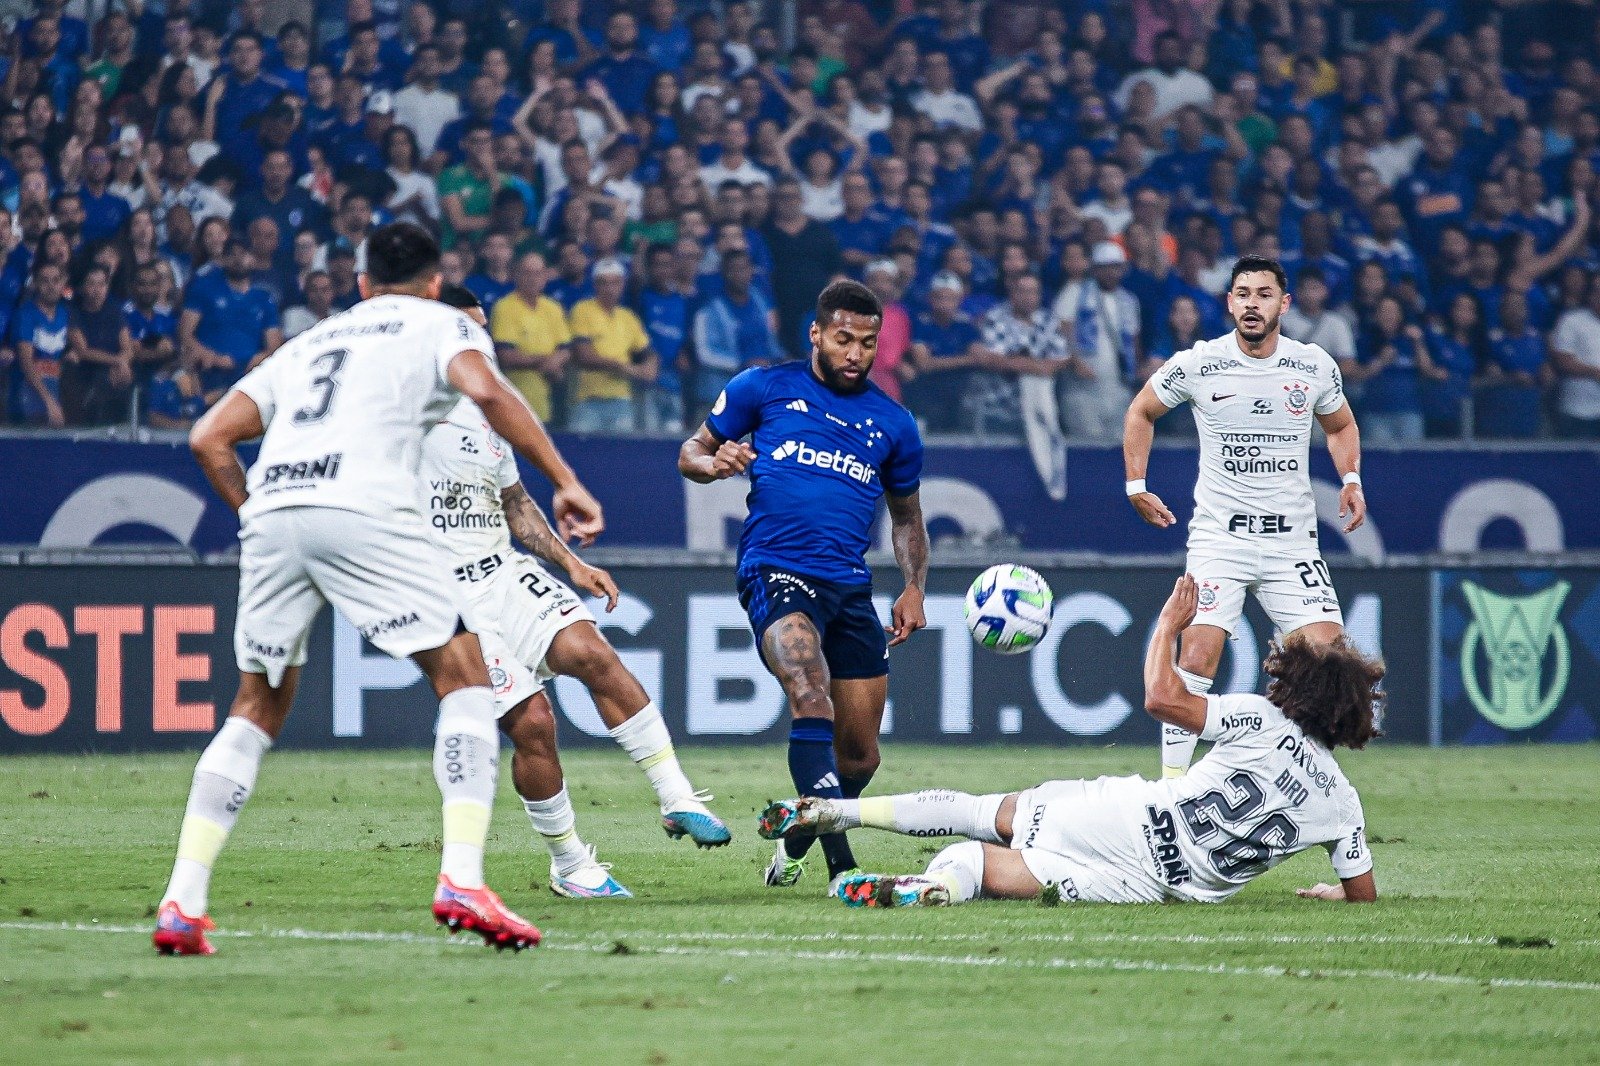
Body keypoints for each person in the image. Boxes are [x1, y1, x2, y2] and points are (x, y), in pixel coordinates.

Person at [152, 223, 605, 957]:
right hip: (363, 503)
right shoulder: (442, 323)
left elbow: (208, 436)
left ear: (362, 283)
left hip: (274, 510)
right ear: (435, 282)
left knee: (256, 705)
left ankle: (182, 902)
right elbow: (487, 390)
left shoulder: (310, 341)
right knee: (465, 676)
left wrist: (262, 518)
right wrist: (565, 479)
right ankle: (462, 879)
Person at [758, 575, 1381, 909]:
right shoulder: (1341, 804)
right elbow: (1363, 893)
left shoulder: (1261, 720)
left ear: (1300, 689)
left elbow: (1163, 699)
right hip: (1148, 888)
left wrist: (1168, 624)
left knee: (981, 814)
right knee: (974, 864)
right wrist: (1333, 891)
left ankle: (834, 811)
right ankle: (936, 889)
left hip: (1125, 817)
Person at [420, 286, 729, 896]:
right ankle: (568, 864)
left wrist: (571, 564)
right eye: (465, 329)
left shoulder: (490, 412)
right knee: (533, 722)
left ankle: (677, 796)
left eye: (482, 330)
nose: (477, 341)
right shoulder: (396, 410)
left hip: (501, 569)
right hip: (444, 593)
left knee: (593, 653)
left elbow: (514, 503)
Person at [678, 280, 930, 893]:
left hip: (849, 586)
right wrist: (713, 464)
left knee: (860, 756)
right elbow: (691, 451)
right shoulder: (762, 387)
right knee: (810, 694)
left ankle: (794, 843)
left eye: (868, 343)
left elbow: (906, 517)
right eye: (844, 339)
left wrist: (914, 585)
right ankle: (844, 871)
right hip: (775, 569)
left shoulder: (895, 424)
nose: (856, 354)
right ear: (816, 334)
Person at [1123, 255, 1367, 781]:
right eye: (1243, 294)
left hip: (1291, 544)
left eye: (1263, 294)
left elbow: (1341, 425)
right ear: (1229, 303)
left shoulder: (1313, 365)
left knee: (1329, 661)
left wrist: (1351, 478)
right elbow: (1141, 410)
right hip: (1221, 541)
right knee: (1198, 656)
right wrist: (1136, 486)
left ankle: (1302, 780)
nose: (1252, 304)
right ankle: (1171, 787)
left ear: (1284, 304)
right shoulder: (1200, 363)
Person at [179, 237, 282, 394]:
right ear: (223, 259)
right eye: (232, 254)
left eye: (243, 253)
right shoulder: (204, 289)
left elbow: (273, 345)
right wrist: (212, 357)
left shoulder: (264, 298)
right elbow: (185, 334)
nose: (238, 259)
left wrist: (258, 361)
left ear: (253, 259)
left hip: (251, 373)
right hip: (211, 370)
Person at [568, 258, 657, 432]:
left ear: (622, 285)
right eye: (604, 283)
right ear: (595, 285)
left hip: (621, 400)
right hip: (588, 399)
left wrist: (650, 366)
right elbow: (583, 355)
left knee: (622, 447)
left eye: (615, 283)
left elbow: (648, 351)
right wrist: (621, 366)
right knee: (582, 446)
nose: (610, 289)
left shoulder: (627, 317)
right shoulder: (582, 310)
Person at [490, 250, 572, 422]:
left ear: (545, 276)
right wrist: (546, 361)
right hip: (516, 402)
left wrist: (555, 361)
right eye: (527, 273)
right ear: (516, 275)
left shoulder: (553, 308)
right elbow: (506, 355)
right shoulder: (505, 307)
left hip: (550, 402)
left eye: (538, 273)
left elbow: (565, 348)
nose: (533, 278)